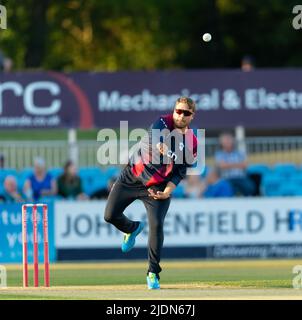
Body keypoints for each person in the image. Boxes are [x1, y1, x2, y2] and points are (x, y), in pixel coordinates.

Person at [104, 96, 198, 289]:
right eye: (178, 111)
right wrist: (163, 147)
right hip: (132, 177)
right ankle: (132, 228)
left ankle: (153, 272)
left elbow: (180, 173)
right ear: (174, 111)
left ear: (192, 116)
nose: (180, 116)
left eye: (185, 113)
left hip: (157, 187)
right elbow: (157, 139)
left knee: (156, 225)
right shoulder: (162, 121)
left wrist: (167, 192)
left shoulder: (192, 142)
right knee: (109, 215)